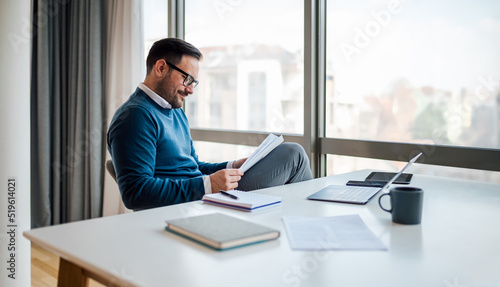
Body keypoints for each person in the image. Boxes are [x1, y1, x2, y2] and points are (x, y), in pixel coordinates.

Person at [107, 38, 312, 210]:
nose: (190, 90)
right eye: (187, 79)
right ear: (161, 68)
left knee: (292, 156)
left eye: (193, 82)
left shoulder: (175, 111)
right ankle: (306, 225)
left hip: (204, 196)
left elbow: (193, 166)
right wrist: (207, 185)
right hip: (192, 204)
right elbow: (136, 192)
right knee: (293, 155)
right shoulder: (134, 116)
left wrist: (231, 166)